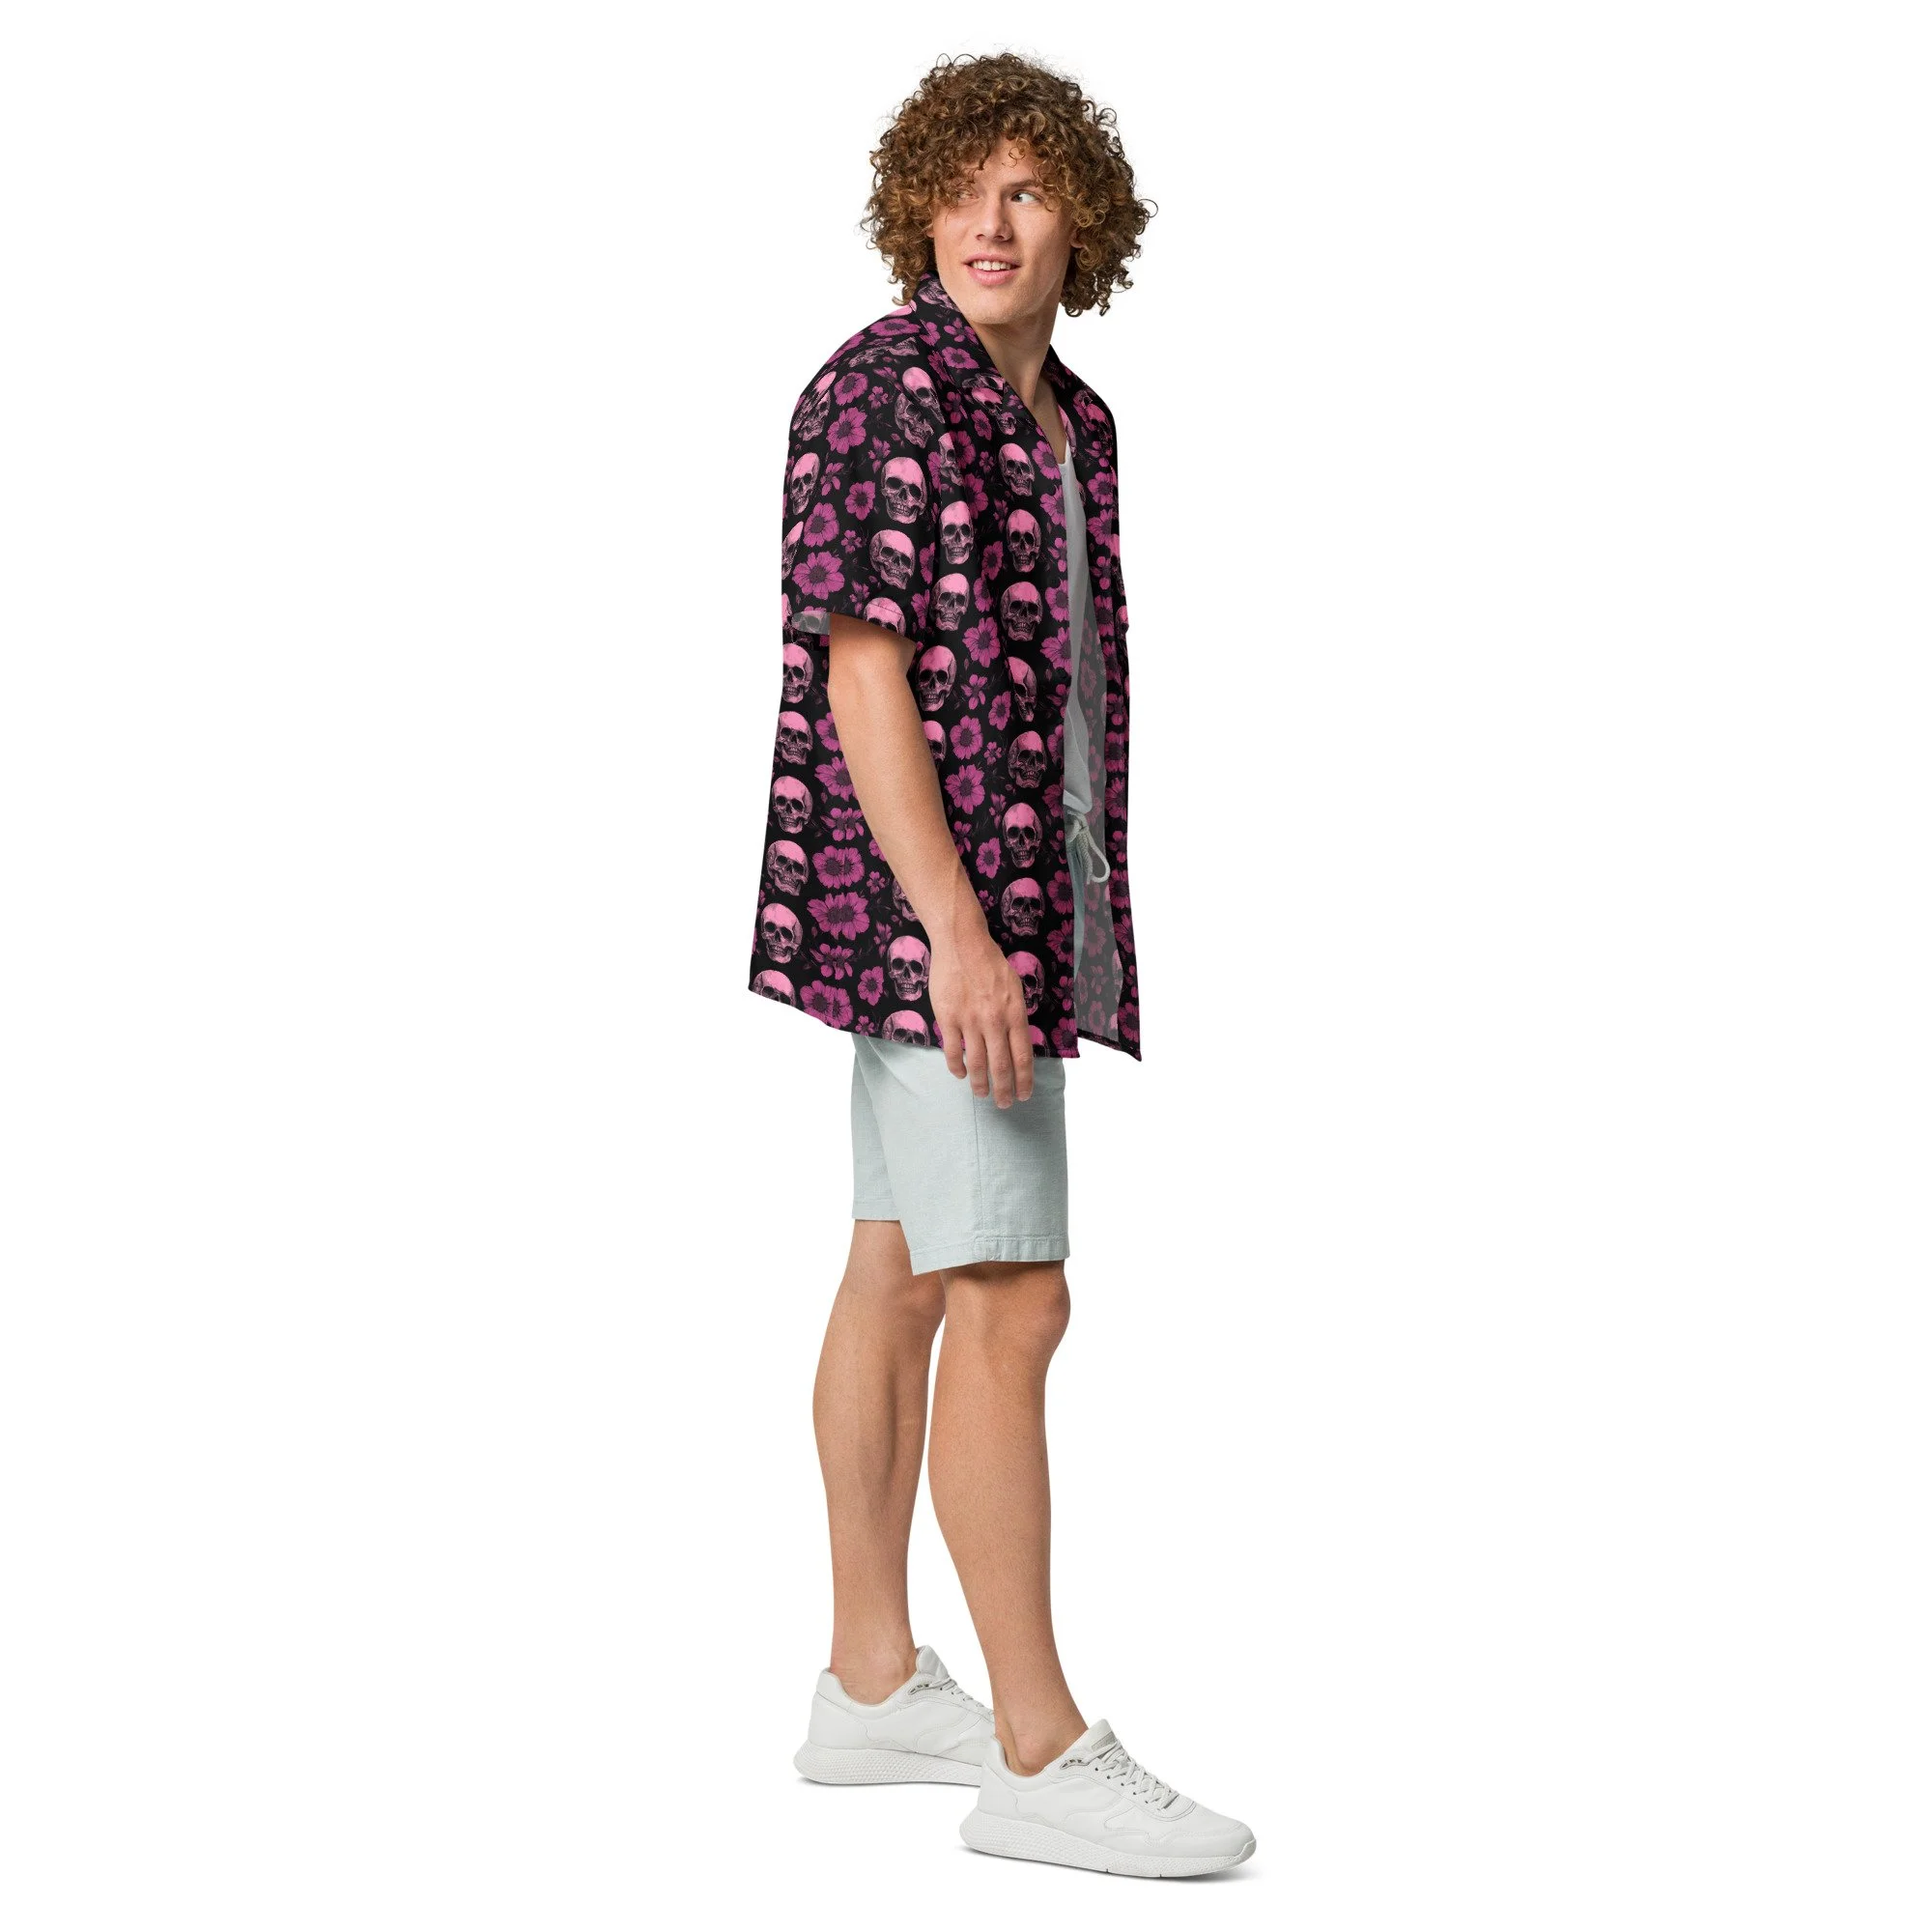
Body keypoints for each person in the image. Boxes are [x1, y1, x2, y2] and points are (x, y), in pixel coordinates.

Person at [747, 52, 1255, 1879]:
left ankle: (873, 1683)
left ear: (1079, 223)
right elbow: (860, 667)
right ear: (915, 210)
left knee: (899, 1273)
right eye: (960, 190)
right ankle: (1038, 1750)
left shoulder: (1070, 421)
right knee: (1014, 1302)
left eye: (1025, 191)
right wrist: (958, 933)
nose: (988, 223)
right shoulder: (886, 390)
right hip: (931, 918)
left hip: (1015, 907)